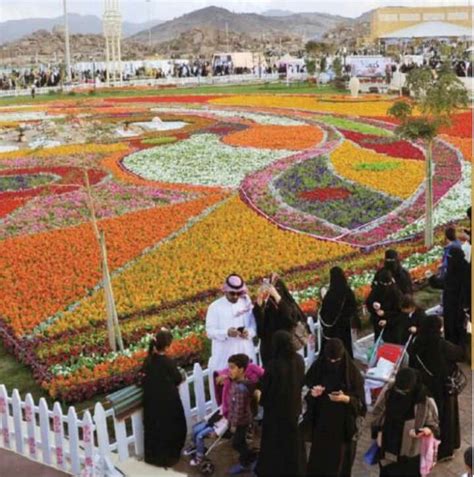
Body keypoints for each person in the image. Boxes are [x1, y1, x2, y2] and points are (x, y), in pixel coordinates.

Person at [304, 338, 366, 477]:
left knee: (339, 463)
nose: (332, 363)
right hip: (322, 423)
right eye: (330, 360)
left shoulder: (352, 373)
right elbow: (309, 387)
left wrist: (346, 398)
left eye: (336, 360)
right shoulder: (319, 367)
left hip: (343, 425)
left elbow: (361, 403)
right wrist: (314, 393)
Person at [409, 315, 464, 461]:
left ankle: (426, 449)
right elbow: (460, 354)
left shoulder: (416, 342)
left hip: (424, 388)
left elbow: (412, 364)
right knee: (445, 418)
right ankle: (444, 451)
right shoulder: (442, 344)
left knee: (427, 418)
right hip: (442, 388)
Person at [371, 368, 440, 477]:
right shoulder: (390, 390)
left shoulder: (424, 399)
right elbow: (377, 412)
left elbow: (433, 424)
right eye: (398, 390)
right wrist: (378, 432)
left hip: (412, 453)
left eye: (404, 391)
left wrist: (422, 431)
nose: (401, 393)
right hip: (388, 449)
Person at [255, 330, 306, 477]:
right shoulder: (299, 360)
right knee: (293, 442)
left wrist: (260, 396)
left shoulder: (273, 365)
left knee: (275, 442)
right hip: (294, 407)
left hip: (276, 412)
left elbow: (267, 388)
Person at [142, 329, 187, 468]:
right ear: (167, 347)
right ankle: (169, 457)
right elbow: (178, 378)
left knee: (154, 428)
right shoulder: (168, 362)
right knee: (172, 427)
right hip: (168, 401)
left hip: (151, 401)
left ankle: (153, 458)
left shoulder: (148, 361)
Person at [253, 273, 306, 367]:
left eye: (276, 289)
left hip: (285, 347)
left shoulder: (287, 303)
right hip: (268, 348)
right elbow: (260, 327)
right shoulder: (265, 305)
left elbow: (291, 319)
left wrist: (277, 296)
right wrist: (260, 301)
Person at [206, 274, 257, 371]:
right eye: (232, 293)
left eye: (238, 293)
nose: (235, 296)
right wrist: (226, 332)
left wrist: (248, 332)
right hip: (224, 355)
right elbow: (209, 332)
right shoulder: (215, 307)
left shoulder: (246, 303)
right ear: (225, 291)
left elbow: (253, 326)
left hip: (245, 352)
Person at [226, 354, 258, 475]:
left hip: (241, 421)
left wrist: (234, 424)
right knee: (240, 442)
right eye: (229, 367)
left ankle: (247, 461)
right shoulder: (239, 382)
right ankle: (250, 457)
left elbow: (239, 409)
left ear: (241, 370)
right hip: (241, 419)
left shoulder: (240, 388)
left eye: (232, 368)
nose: (229, 370)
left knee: (236, 443)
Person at [319, 266, 358, 358]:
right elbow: (353, 307)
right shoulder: (347, 291)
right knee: (345, 347)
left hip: (331, 329)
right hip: (344, 325)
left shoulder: (330, 293)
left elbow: (323, 311)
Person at [443, 247, 470, 346]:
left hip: (460, 304)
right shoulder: (452, 269)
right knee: (450, 325)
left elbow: (466, 289)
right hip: (450, 302)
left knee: (459, 326)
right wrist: (432, 279)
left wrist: (465, 305)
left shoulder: (466, 270)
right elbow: (445, 283)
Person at [366, 269, 403, 341]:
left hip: (393, 328)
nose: (385, 286)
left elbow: (400, 313)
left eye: (388, 283)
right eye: (383, 284)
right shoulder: (376, 290)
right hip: (378, 325)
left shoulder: (396, 294)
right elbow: (369, 302)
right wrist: (373, 306)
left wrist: (386, 317)